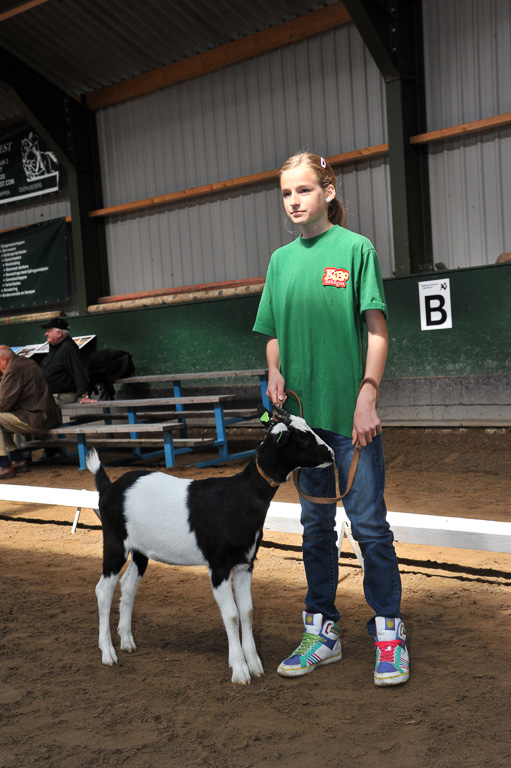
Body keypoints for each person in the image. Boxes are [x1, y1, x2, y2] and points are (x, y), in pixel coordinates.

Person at [253, 151, 409, 686]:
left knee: (368, 527)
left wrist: (368, 394)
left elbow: (377, 330)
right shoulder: (279, 261)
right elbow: (272, 329)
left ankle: (388, 632)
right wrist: (274, 371)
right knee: (315, 527)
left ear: (329, 191)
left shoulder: (355, 249)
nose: (294, 202)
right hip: (303, 426)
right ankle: (322, 631)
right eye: (286, 194)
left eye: (303, 191)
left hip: (351, 420)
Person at [0, 345, 59, 478]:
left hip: (35, 418)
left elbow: (3, 404)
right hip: (45, 416)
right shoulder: (26, 362)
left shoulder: (14, 369)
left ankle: (4, 466)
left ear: (3, 359)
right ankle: (18, 460)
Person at [39, 317, 94, 404]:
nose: (46, 333)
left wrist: (84, 395)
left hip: (62, 395)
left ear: (59, 333)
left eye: (49, 331)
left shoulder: (68, 347)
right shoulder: (55, 347)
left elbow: (78, 370)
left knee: (32, 405)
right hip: (49, 394)